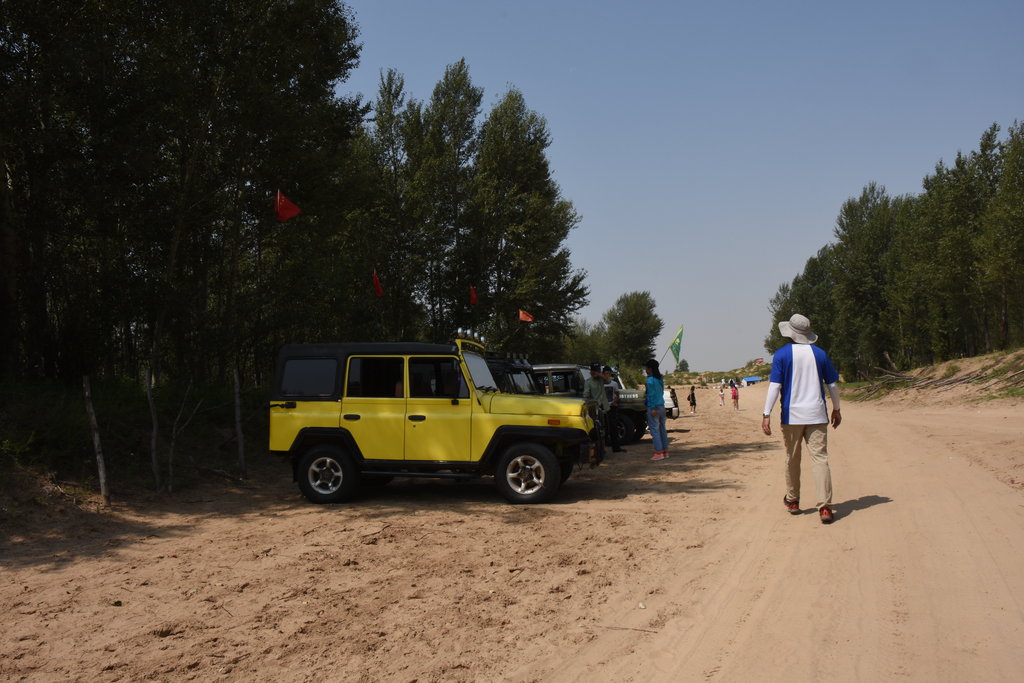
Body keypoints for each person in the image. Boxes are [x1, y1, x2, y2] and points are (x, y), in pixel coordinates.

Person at [761, 313, 842, 525]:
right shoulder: (820, 354)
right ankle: (825, 507)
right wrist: (837, 409)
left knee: (792, 458)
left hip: (792, 416)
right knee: (820, 459)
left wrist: (766, 413)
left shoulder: (781, 355)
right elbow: (832, 385)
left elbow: (775, 386)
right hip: (817, 414)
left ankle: (793, 500)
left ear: (790, 333)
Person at [582, 363, 610, 462]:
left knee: (604, 429)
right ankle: (596, 450)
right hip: (594, 409)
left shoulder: (601, 379)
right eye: (594, 371)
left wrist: (600, 375)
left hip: (604, 407)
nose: (595, 373)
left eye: (597, 370)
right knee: (595, 430)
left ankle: (603, 448)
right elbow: (586, 395)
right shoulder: (588, 382)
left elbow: (608, 381)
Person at [644, 359, 669, 461]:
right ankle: (665, 451)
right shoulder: (660, 379)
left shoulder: (650, 380)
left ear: (650, 369)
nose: (645, 370)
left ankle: (659, 453)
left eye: (646, 368)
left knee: (654, 431)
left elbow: (651, 395)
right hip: (662, 406)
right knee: (662, 429)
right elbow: (661, 392)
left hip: (654, 407)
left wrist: (653, 408)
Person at [602, 366, 625, 452]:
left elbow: (618, 395)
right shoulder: (600, 383)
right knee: (603, 428)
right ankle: (602, 448)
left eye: (609, 373)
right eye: (605, 374)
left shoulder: (614, 384)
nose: (607, 375)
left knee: (614, 428)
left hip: (612, 407)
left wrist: (614, 402)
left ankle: (616, 447)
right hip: (602, 407)